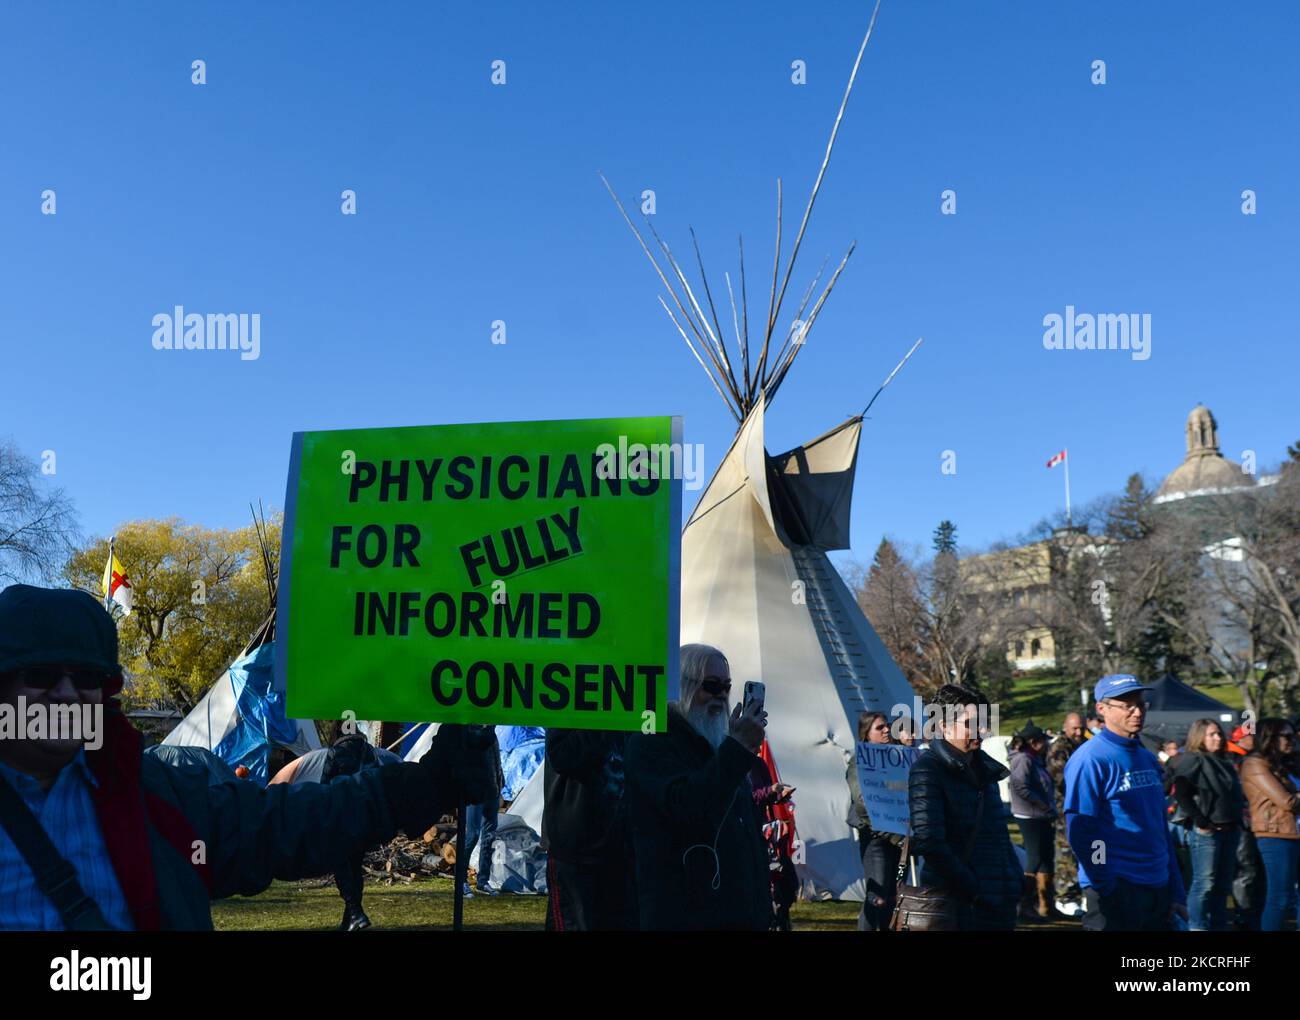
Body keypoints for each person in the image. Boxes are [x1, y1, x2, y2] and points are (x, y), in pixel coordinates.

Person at [0, 584, 493, 931]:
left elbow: (284, 823)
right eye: (41, 675)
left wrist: (421, 786)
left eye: (86, 678)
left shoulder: (158, 799)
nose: (66, 695)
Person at [623, 643, 771, 930]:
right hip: (684, 912)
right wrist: (737, 748)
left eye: (726, 687)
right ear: (681, 686)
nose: (720, 697)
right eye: (711, 686)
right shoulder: (651, 740)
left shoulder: (720, 743)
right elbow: (687, 805)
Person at [1064, 674, 1188, 931]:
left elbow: (1159, 827)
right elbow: (1083, 827)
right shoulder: (1090, 759)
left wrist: (1175, 889)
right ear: (1102, 709)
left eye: (1141, 704)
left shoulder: (1147, 757)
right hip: (1118, 885)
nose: (1137, 711)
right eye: (1127, 705)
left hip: (1157, 883)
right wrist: (1103, 880)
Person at [907, 684, 1022, 930]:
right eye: (970, 723)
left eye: (983, 722)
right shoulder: (928, 770)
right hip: (956, 905)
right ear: (943, 725)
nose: (981, 730)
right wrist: (973, 886)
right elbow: (930, 841)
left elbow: (1000, 837)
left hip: (998, 904)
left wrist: (1014, 880)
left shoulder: (987, 771)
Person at [541, 727, 636, 930]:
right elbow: (562, 755)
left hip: (624, 845)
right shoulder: (568, 701)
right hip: (575, 848)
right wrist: (608, 719)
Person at [1167, 719, 1246, 931]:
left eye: (1219, 734)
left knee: (1222, 886)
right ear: (1199, 736)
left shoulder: (1224, 760)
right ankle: (1197, 927)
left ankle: (1219, 927)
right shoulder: (1192, 759)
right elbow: (1182, 793)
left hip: (1230, 828)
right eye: (1211, 734)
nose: (1218, 738)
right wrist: (1201, 820)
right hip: (1207, 832)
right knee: (1204, 884)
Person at [1239, 718, 1300, 931]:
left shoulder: (1287, 762)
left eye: (1293, 735)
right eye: (1286, 736)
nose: (1292, 740)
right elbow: (1288, 802)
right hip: (1276, 836)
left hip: (1295, 832)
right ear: (1270, 738)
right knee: (1280, 898)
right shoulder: (1255, 763)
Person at [846, 710, 904, 931]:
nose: (887, 729)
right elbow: (862, 802)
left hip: (900, 837)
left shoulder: (897, 759)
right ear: (866, 733)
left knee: (892, 898)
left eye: (887, 725)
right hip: (876, 838)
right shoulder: (858, 762)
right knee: (877, 898)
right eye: (880, 727)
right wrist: (891, 832)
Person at [1009, 721, 1063, 921]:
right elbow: (1020, 786)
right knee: (1034, 860)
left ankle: (1046, 905)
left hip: (1041, 816)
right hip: (1030, 816)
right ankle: (1024, 904)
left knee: (1045, 859)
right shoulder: (1023, 759)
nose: (1046, 745)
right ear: (1033, 742)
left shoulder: (1035, 759)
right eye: (1042, 742)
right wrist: (1042, 805)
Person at [749, 740, 797, 930]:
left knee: (779, 885)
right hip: (748, 831)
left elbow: (766, 795)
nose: (759, 747)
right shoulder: (738, 764)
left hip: (764, 834)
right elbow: (748, 797)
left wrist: (780, 795)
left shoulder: (758, 764)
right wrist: (771, 790)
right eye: (754, 741)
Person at [1047, 713, 1085, 914]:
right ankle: (1065, 894)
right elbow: (1061, 778)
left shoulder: (1086, 744)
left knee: (1093, 849)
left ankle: (1088, 890)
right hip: (1066, 810)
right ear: (1066, 727)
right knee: (1066, 852)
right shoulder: (1059, 748)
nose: (1078, 732)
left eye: (1081, 728)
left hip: (1088, 810)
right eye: (1074, 728)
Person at [461, 728, 504, 897]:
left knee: (489, 836)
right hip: (475, 792)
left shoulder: (491, 734)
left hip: (492, 790)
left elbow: (496, 760)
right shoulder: (471, 732)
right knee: (472, 835)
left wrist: (500, 783)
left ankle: (483, 881)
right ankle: (461, 881)